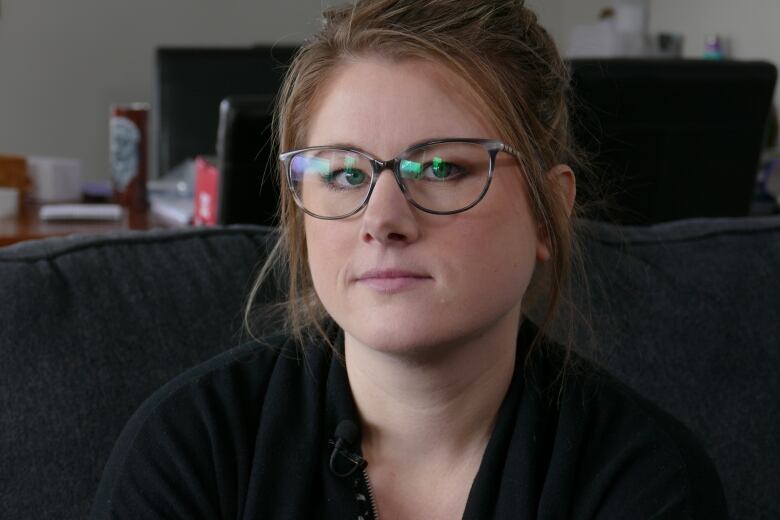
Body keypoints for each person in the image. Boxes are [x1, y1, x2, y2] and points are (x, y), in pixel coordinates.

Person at [90, 1, 728, 518]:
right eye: (342, 174)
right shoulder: (192, 450)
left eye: (442, 167)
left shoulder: (643, 479)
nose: (383, 221)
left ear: (548, 211)